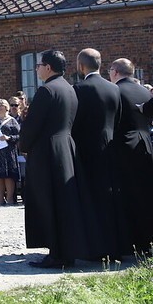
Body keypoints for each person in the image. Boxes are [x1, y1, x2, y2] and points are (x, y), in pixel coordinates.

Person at [20, 50, 95, 268]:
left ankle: (55, 253)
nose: (36, 69)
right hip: (66, 147)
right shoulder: (69, 89)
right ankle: (66, 251)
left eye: (39, 65)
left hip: (47, 151)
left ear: (48, 67)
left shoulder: (46, 91)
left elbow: (32, 126)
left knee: (48, 201)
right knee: (64, 202)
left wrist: (24, 146)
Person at [72, 49, 124, 260]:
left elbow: (74, 122)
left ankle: (94, 248)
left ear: (81, 66)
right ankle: (114, 245)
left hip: (86, 151)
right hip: (110, 148)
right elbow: (117, 119)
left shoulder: (79, 88)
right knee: (109, 198)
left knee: (89, 200)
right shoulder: (114, 88)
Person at [109, 58, 153, 256]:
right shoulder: (144, 91)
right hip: (146, 144)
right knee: (145, 194)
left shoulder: (115, 91)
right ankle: (146, 240)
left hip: (124, 147)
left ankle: (130, 240)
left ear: (115, 72)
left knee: (126, 196)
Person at [0, 100, 20, 206]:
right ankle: (0, 200)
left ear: (6, 107)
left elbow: (19, 136)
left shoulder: (12, 121)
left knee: (8, 176)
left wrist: (8, 138)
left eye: (2, 106)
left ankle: (10, 199)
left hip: (9, 152)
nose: (0, 107)